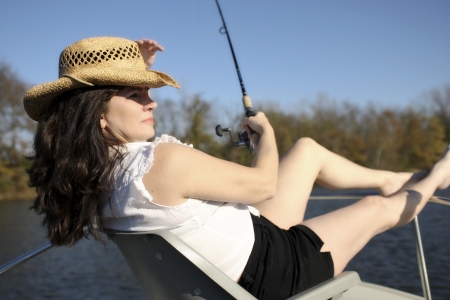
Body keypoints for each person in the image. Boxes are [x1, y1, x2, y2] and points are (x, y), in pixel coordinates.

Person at [24, 36, 450, 299]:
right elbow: (265, 185)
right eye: (136, 94)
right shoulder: (164, 161)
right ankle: (437, 175)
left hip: (246, 257)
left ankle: (391, 177)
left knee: (307, 151)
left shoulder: (90, 176)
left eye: (147, 91)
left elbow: (120, 133)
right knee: (380, 209)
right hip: (277, 273)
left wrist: (137, 72)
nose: (151, 101)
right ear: (98, 113)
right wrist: (266, 136)